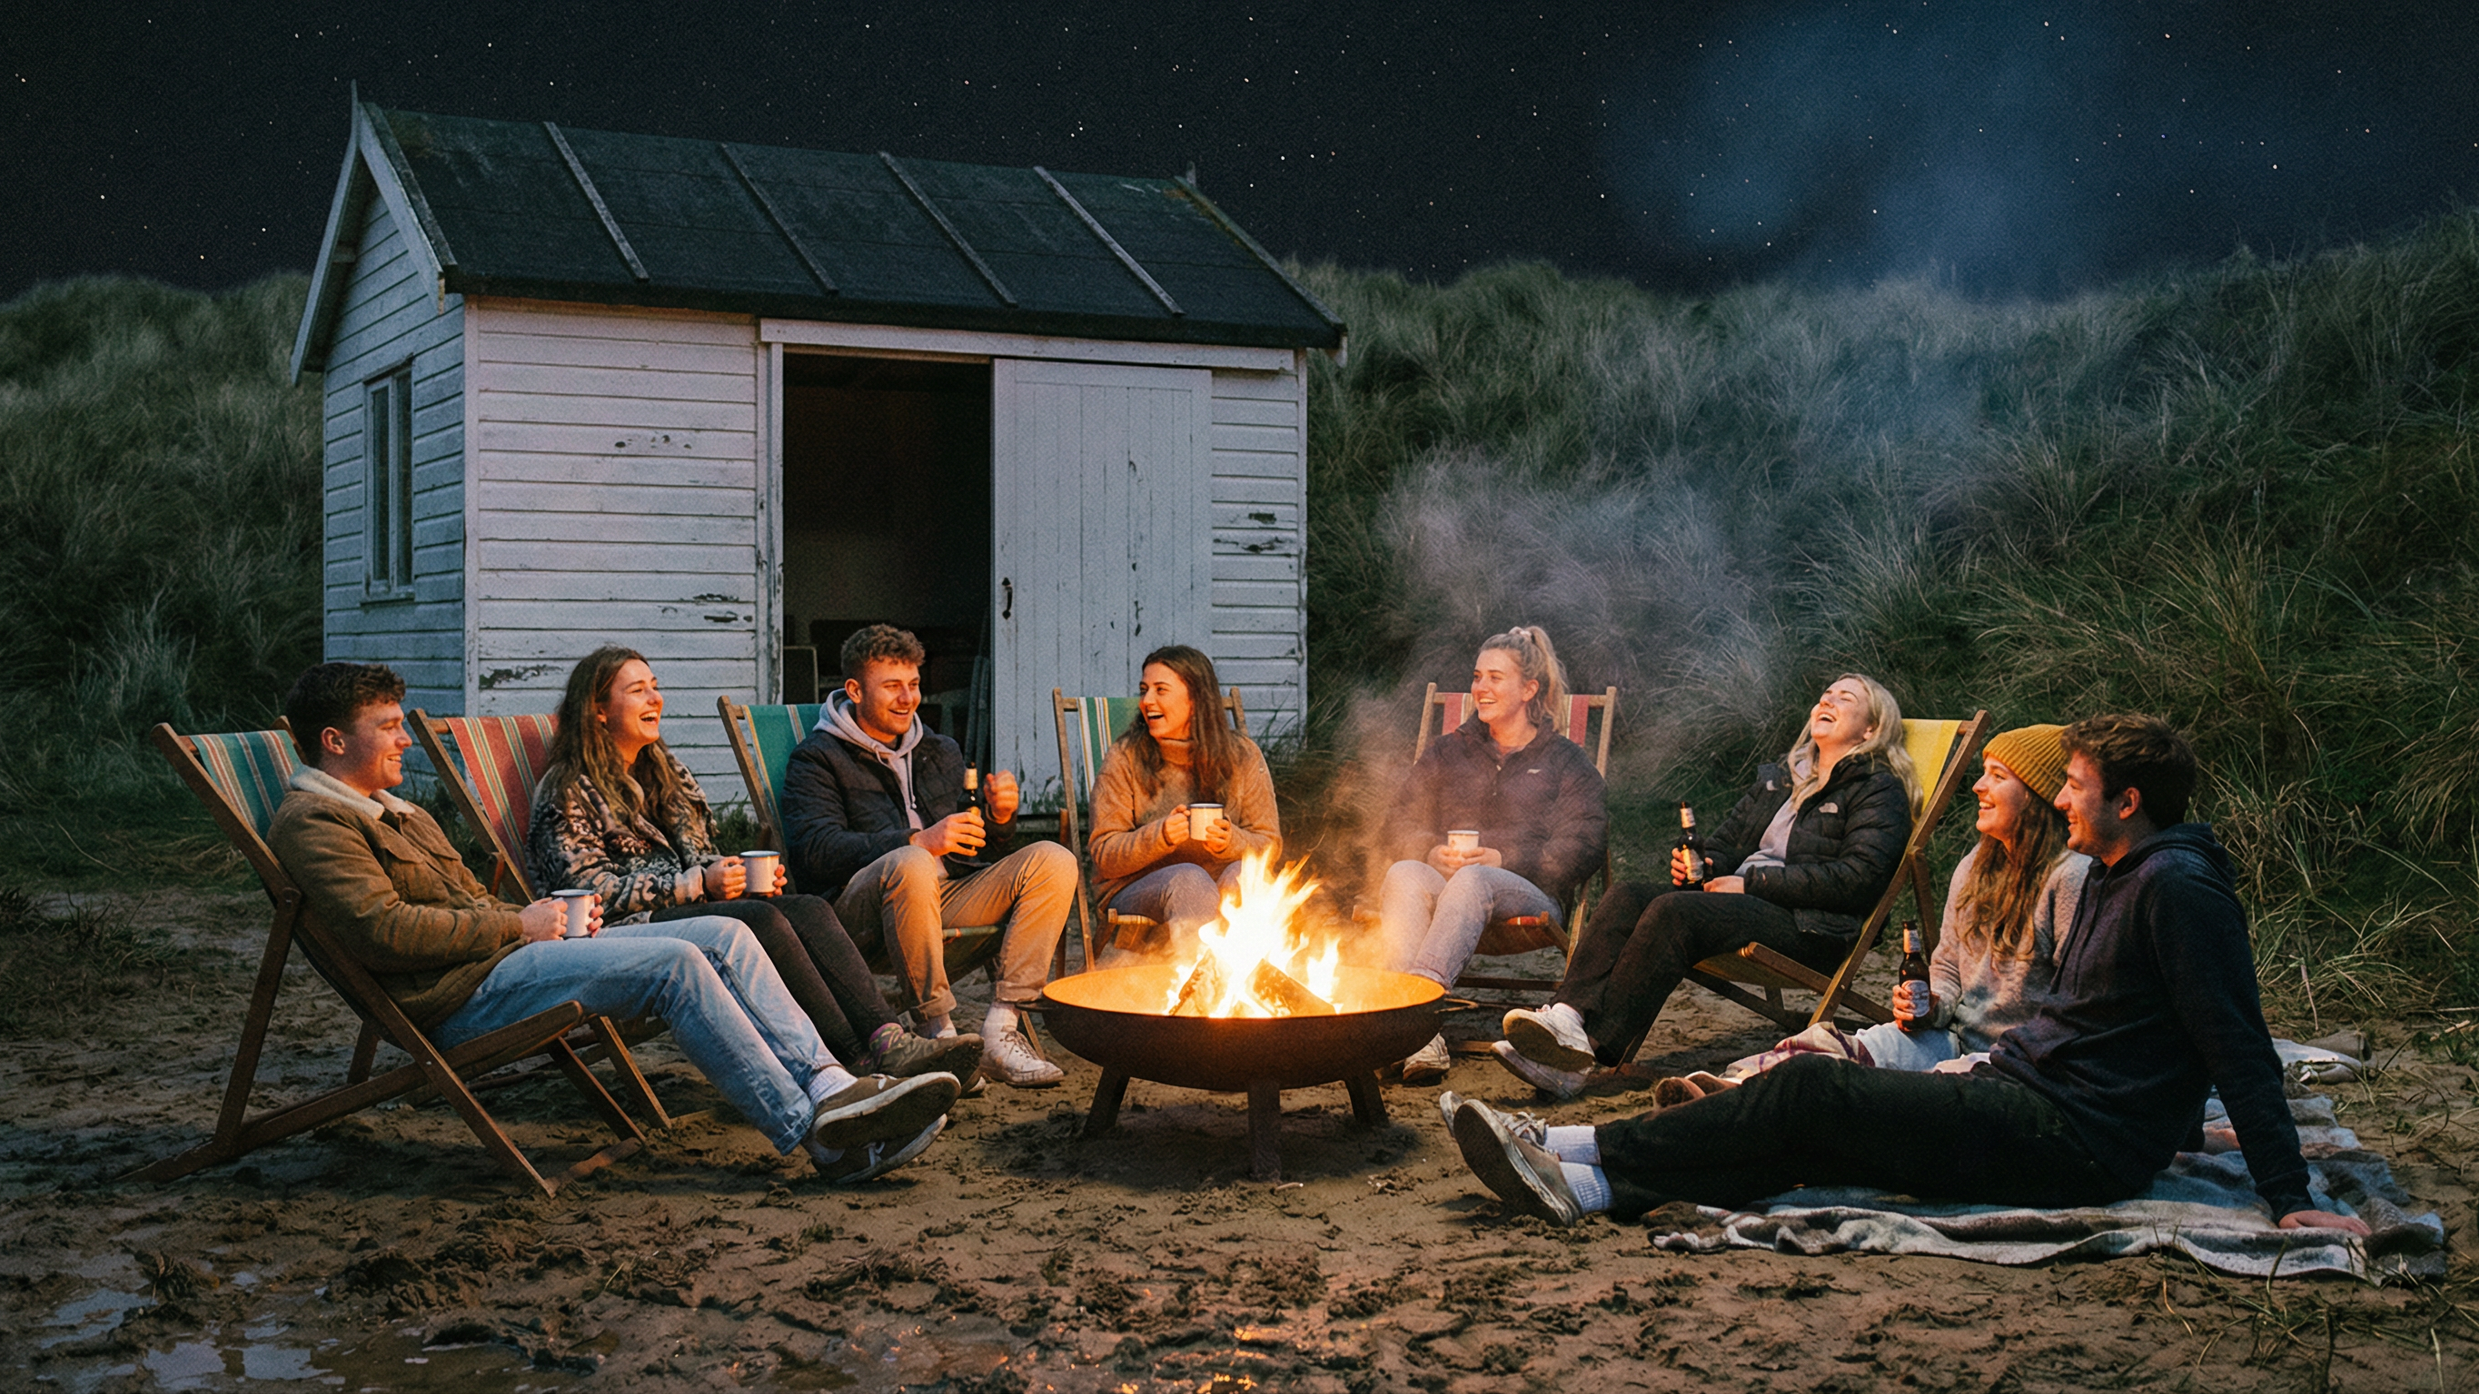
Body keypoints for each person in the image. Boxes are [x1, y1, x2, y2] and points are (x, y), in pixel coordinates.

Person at [1442, 713, 2370, 1239]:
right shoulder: (2126, 874)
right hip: (2029, 1096)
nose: (2058, 801)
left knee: (1810, 1091)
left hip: (2070, 1136)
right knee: (1819, 1131)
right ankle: (1581, 1165)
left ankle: (1579, 1158)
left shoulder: (2178, 892)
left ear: (2126, 804)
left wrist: (2288, 1200)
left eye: (2073, 789)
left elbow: (2237, 1046)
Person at [265, 662, 959, 1184]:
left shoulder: (394, 810)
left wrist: (526, 924)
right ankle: (818, 1136)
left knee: (727, 932)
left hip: (506, 958)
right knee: (674, 964)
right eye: (387, 728)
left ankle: (832, 1085)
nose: (403, 742)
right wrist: (519, 926)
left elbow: (466, 904)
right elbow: (385, 933)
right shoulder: (316, 823)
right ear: (333, 741)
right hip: (461, 995)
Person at [526, 646, 982, 1086]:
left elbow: (699, 856)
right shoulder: (568, 789)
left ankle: (888, 1039)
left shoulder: (666, 772)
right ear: (599, 710)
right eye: (638, 690)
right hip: (619, 930)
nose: (655, 699)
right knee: (761, 919)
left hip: (682, 911)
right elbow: (585, 891)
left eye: (655, 687)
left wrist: (730, 877)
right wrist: (697, 884)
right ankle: (855, 1056)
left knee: (805, 908)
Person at [1496, 674, 1914, 1098]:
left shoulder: (1877, 789)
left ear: (1871, 729)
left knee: (1675, 912)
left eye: (1846, 698)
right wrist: (1705, 862)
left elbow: (1857, 880)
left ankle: (1586, 1053)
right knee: (1626, 897)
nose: (1828, 701)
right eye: (1826, 694)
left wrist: (1752, 883)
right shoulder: (1783, 776)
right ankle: (1566, 1018)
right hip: (1746, 904)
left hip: (1811, 925)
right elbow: (1730, 843)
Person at [1654, 723, 2090, 1102]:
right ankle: (1737, 1087)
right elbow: (1947, 966)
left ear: (2038, 794)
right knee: (1843, 1044)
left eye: (1997, 777)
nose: (1978, 787)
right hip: (1950, 1035)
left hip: (2016, 1061)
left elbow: (2079, 1008)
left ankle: (1757, 1107)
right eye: (1982, 774)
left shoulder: (2071, 879)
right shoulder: (1978, 864)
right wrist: (1932, 1004)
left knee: (1906, 1091)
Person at [781, 625, 1078, 1087]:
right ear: (855, 690)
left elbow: (968, 851)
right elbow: (815, 853)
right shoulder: (817, 759)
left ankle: (1002, 1030)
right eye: (892, 686)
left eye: (914, 685)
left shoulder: (939, 751)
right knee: (912, 860)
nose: (907, 698)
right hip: (858, 918)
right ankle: (936, 1033)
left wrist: (999, 821)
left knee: (1053, 858)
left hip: (942, 902)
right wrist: (917, 840)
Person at [1367, 626, 1608, 1084]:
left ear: (1528, 689)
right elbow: (1396, 822)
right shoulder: (1449, 750)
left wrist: (1503, 858)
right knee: (1403, 872)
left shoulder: (1564, 759)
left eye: (1496, 678)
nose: (1480, 688)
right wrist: (1429, 850)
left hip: (1528, 893)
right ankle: (1420, 1037)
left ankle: (1413, 1021)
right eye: (1478, 677)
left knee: (1474, 879)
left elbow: (1585, 842)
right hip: (1451, 890)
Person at [1085, 645, 1281, 961]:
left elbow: (1268, 844)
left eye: (1161, 690)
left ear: (1195, 700)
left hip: (1219, 882)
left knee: (1246, 876)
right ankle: (1202, 991)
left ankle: (1245, 988)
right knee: (1189, 879)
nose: (1147, 701)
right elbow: (1105, 854)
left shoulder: (1242, 755)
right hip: (1135, 888)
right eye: (1144, 690)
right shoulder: (1126, 757)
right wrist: (1160, 836)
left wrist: (1230, 841)